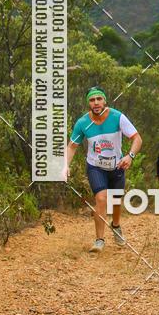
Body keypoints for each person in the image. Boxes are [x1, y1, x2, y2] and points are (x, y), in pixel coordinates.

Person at [65, 87, 141, 252]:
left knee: (115, 201)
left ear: (104, 101)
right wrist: (65, 165)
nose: (96, 103)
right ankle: (99, 240)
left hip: (117, 166)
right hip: (95, 167)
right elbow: (72, 147)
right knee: (101, 199)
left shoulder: (117, 117)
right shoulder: (83, 123)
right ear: (88, 103)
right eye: (92, 100)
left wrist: (130, 156)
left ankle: (116, 225)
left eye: (99, 99)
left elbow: (137, 138)